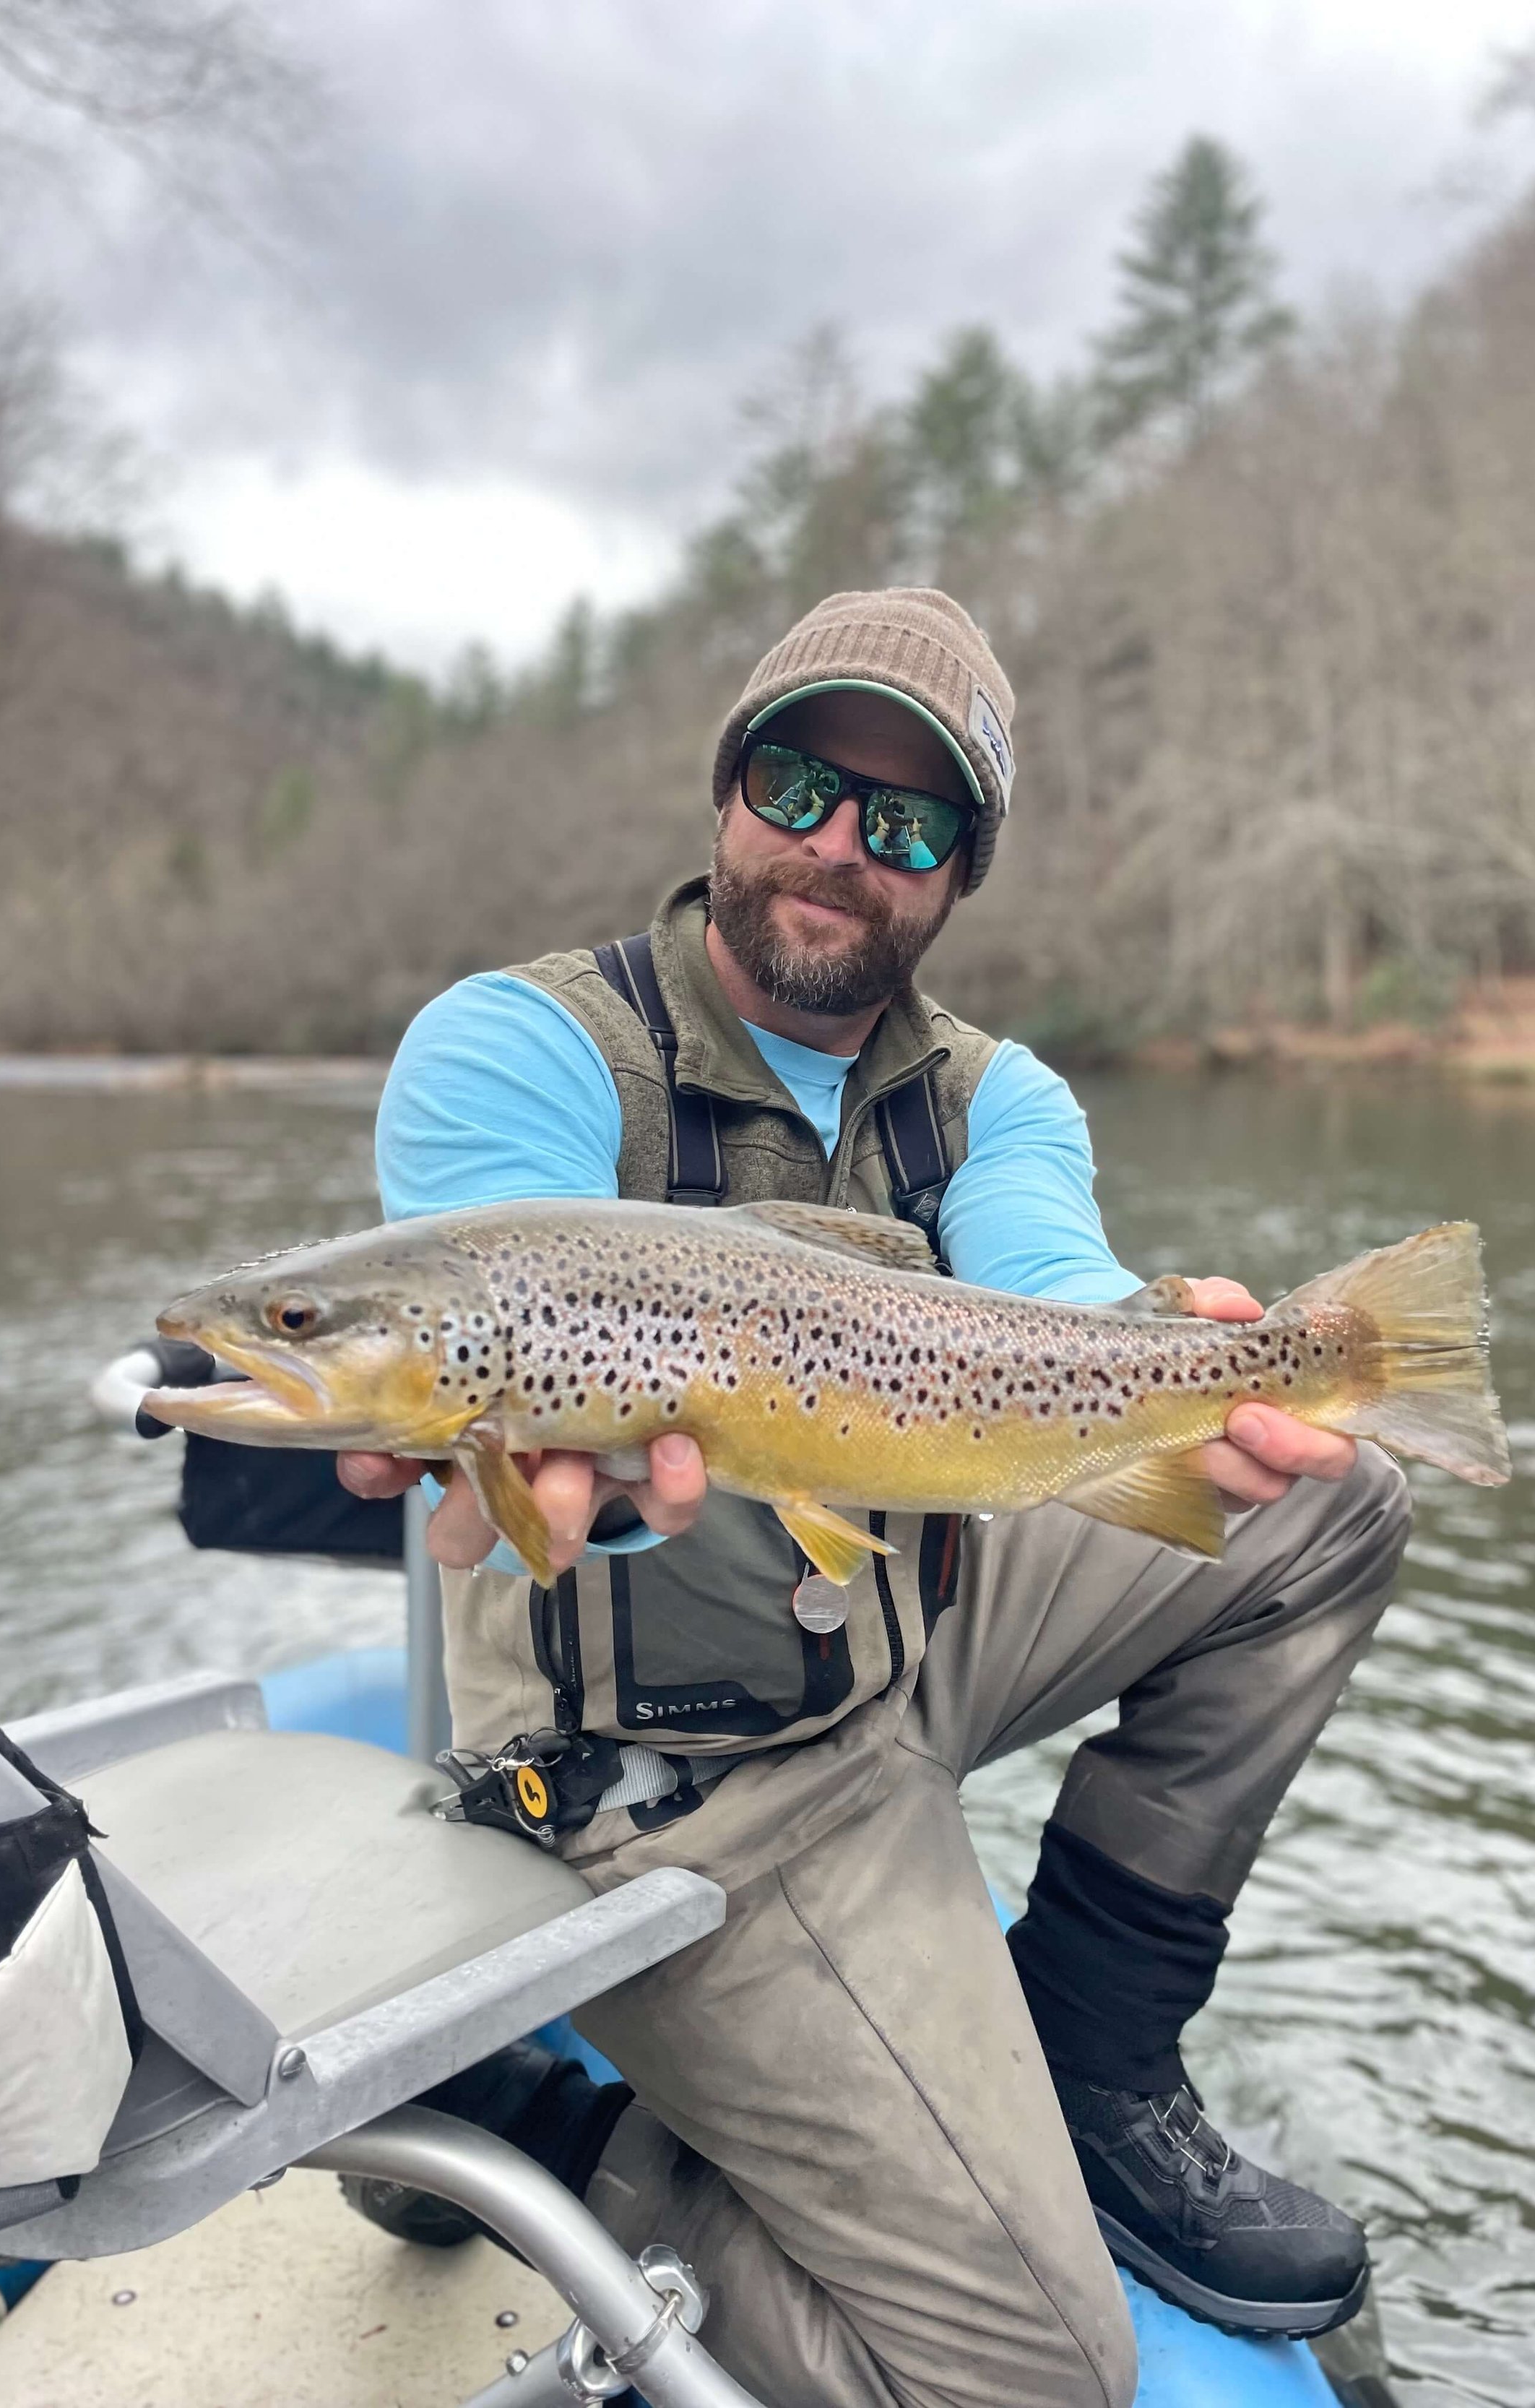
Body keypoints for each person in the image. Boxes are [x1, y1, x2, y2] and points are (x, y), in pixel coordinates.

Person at [340, 588, 1412, 2408]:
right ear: (727, 792)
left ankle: (1093, 2040)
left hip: (898, 1642)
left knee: (1334, 1496)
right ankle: (587, 2160)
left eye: (905, 823)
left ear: (954, 874)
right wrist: (579, 1491)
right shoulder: (515, 1048)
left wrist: (1183, 1359)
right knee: (1034, 2377)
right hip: (662, 1765)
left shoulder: (996, 1097)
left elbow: (1050, 1292)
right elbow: (513, 1363)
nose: (839, 845)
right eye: (799, 781)